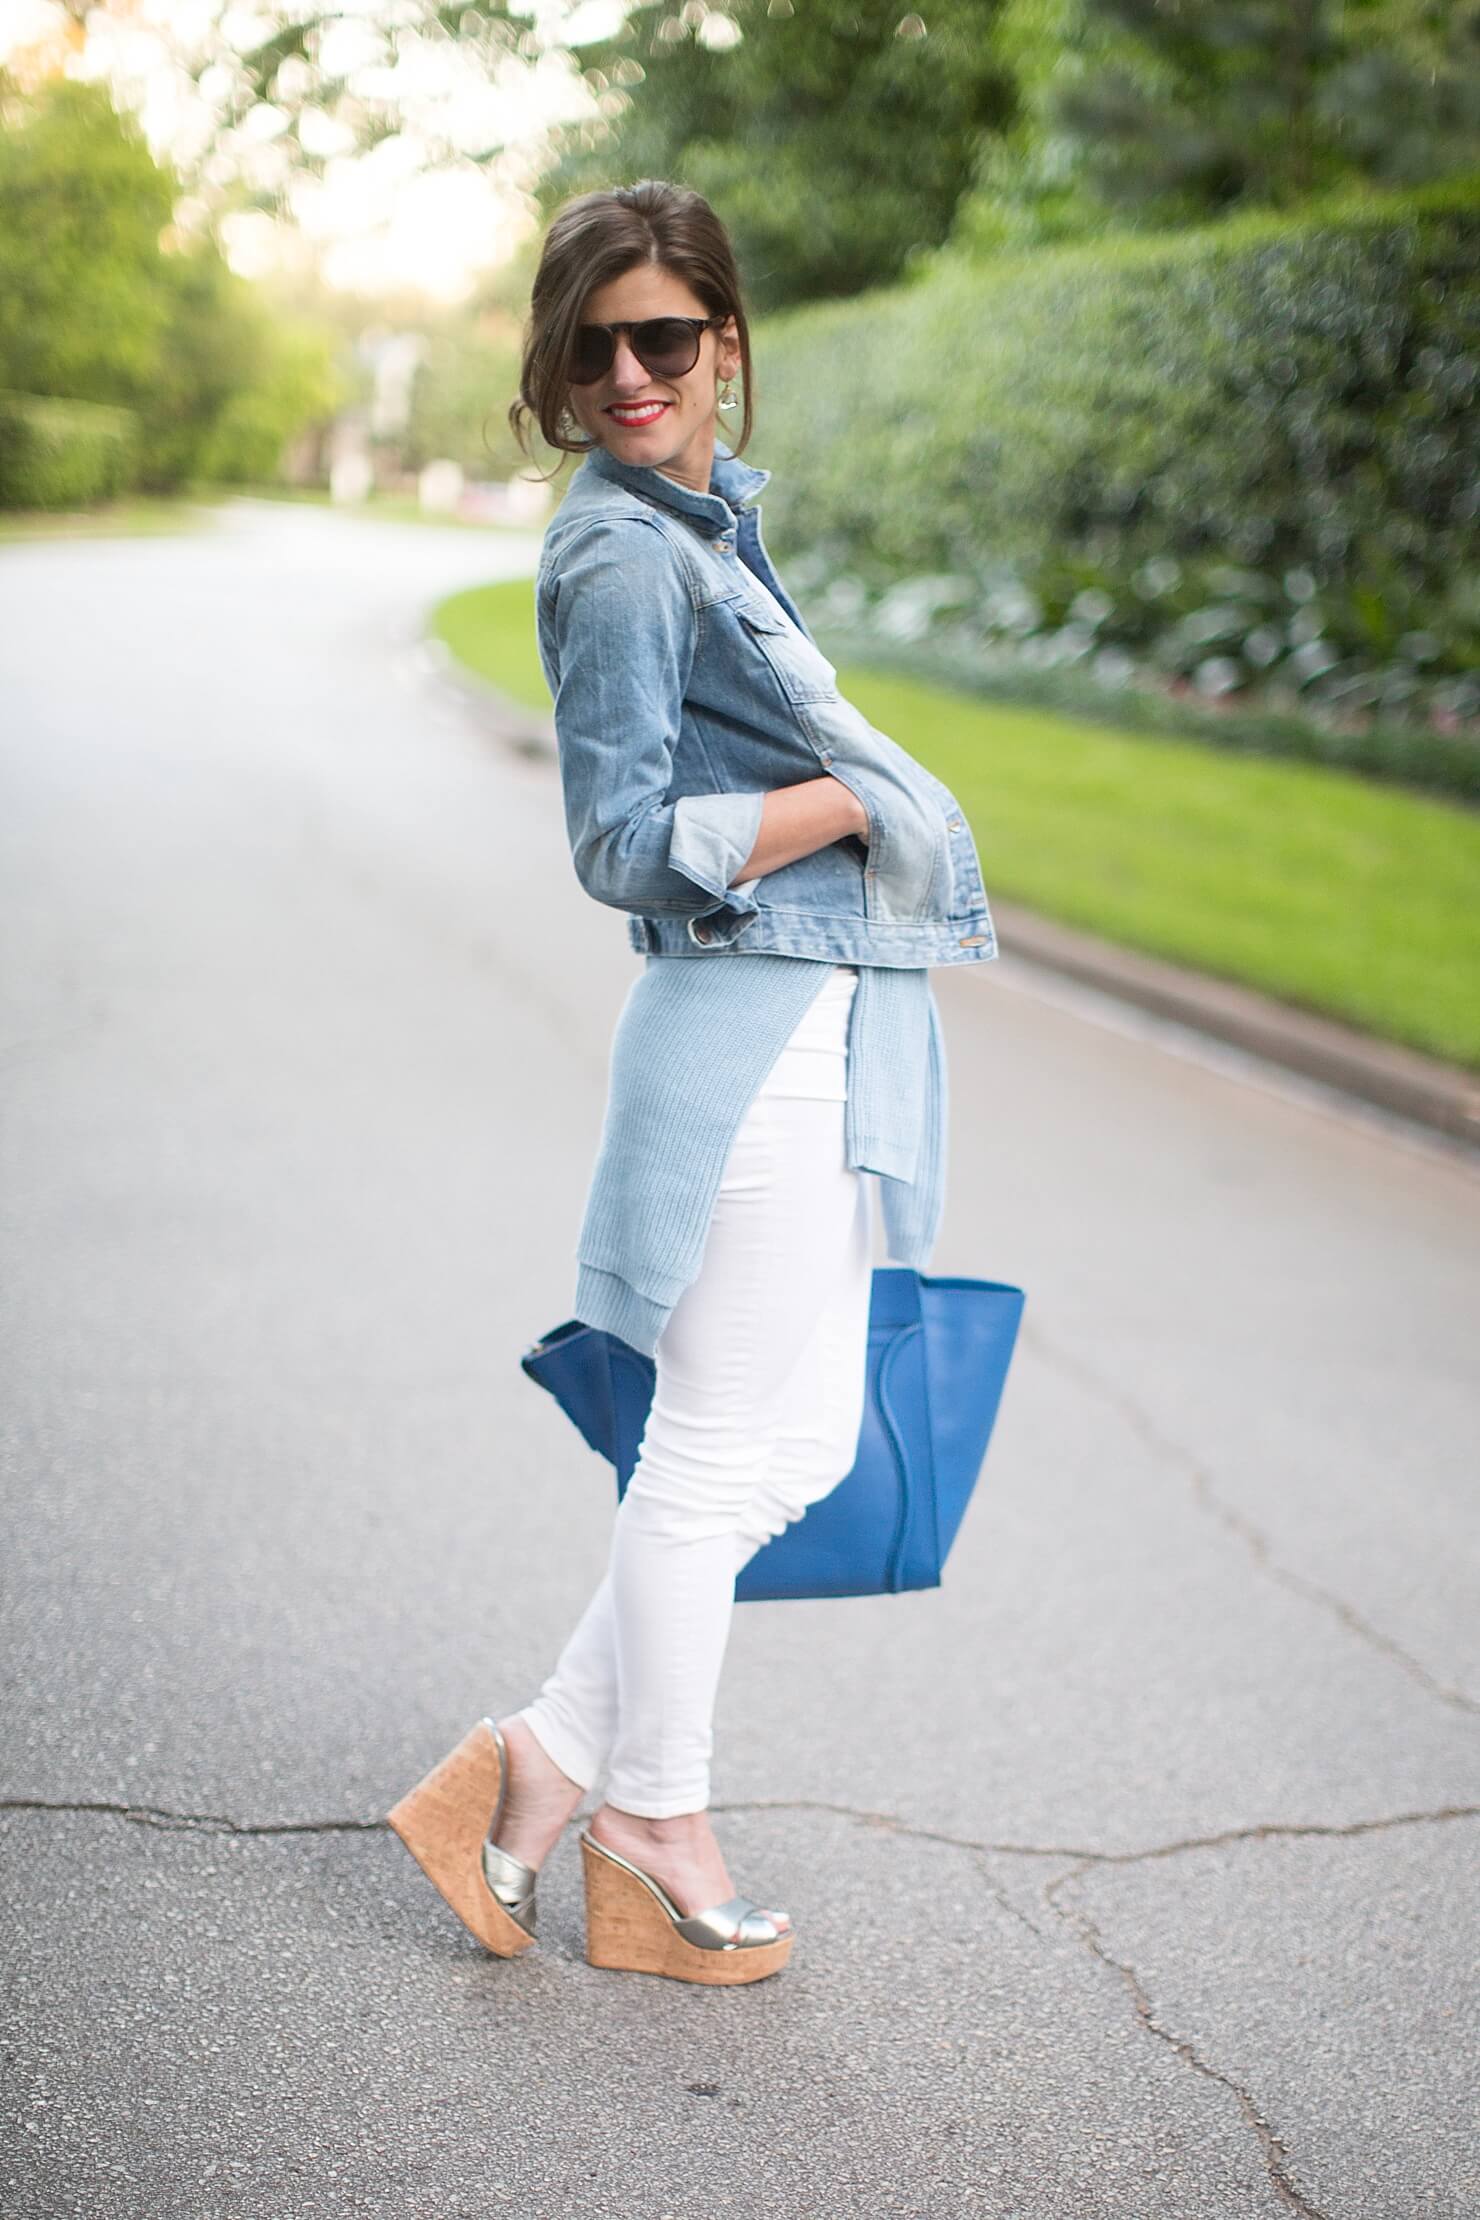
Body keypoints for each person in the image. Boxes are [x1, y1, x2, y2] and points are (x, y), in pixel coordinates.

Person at [387, 179, 997, 1986]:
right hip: (747, 1039)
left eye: (665, 335)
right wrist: (853, 803)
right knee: (725, 1445)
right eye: (595, 346)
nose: (632, 372)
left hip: (812, 1025)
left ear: (725, 339)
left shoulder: (700, 522)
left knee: (791, 1440)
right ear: (558, 366)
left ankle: (537, 1771)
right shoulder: (620, 554)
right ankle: (655, 1823)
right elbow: (625, 841)